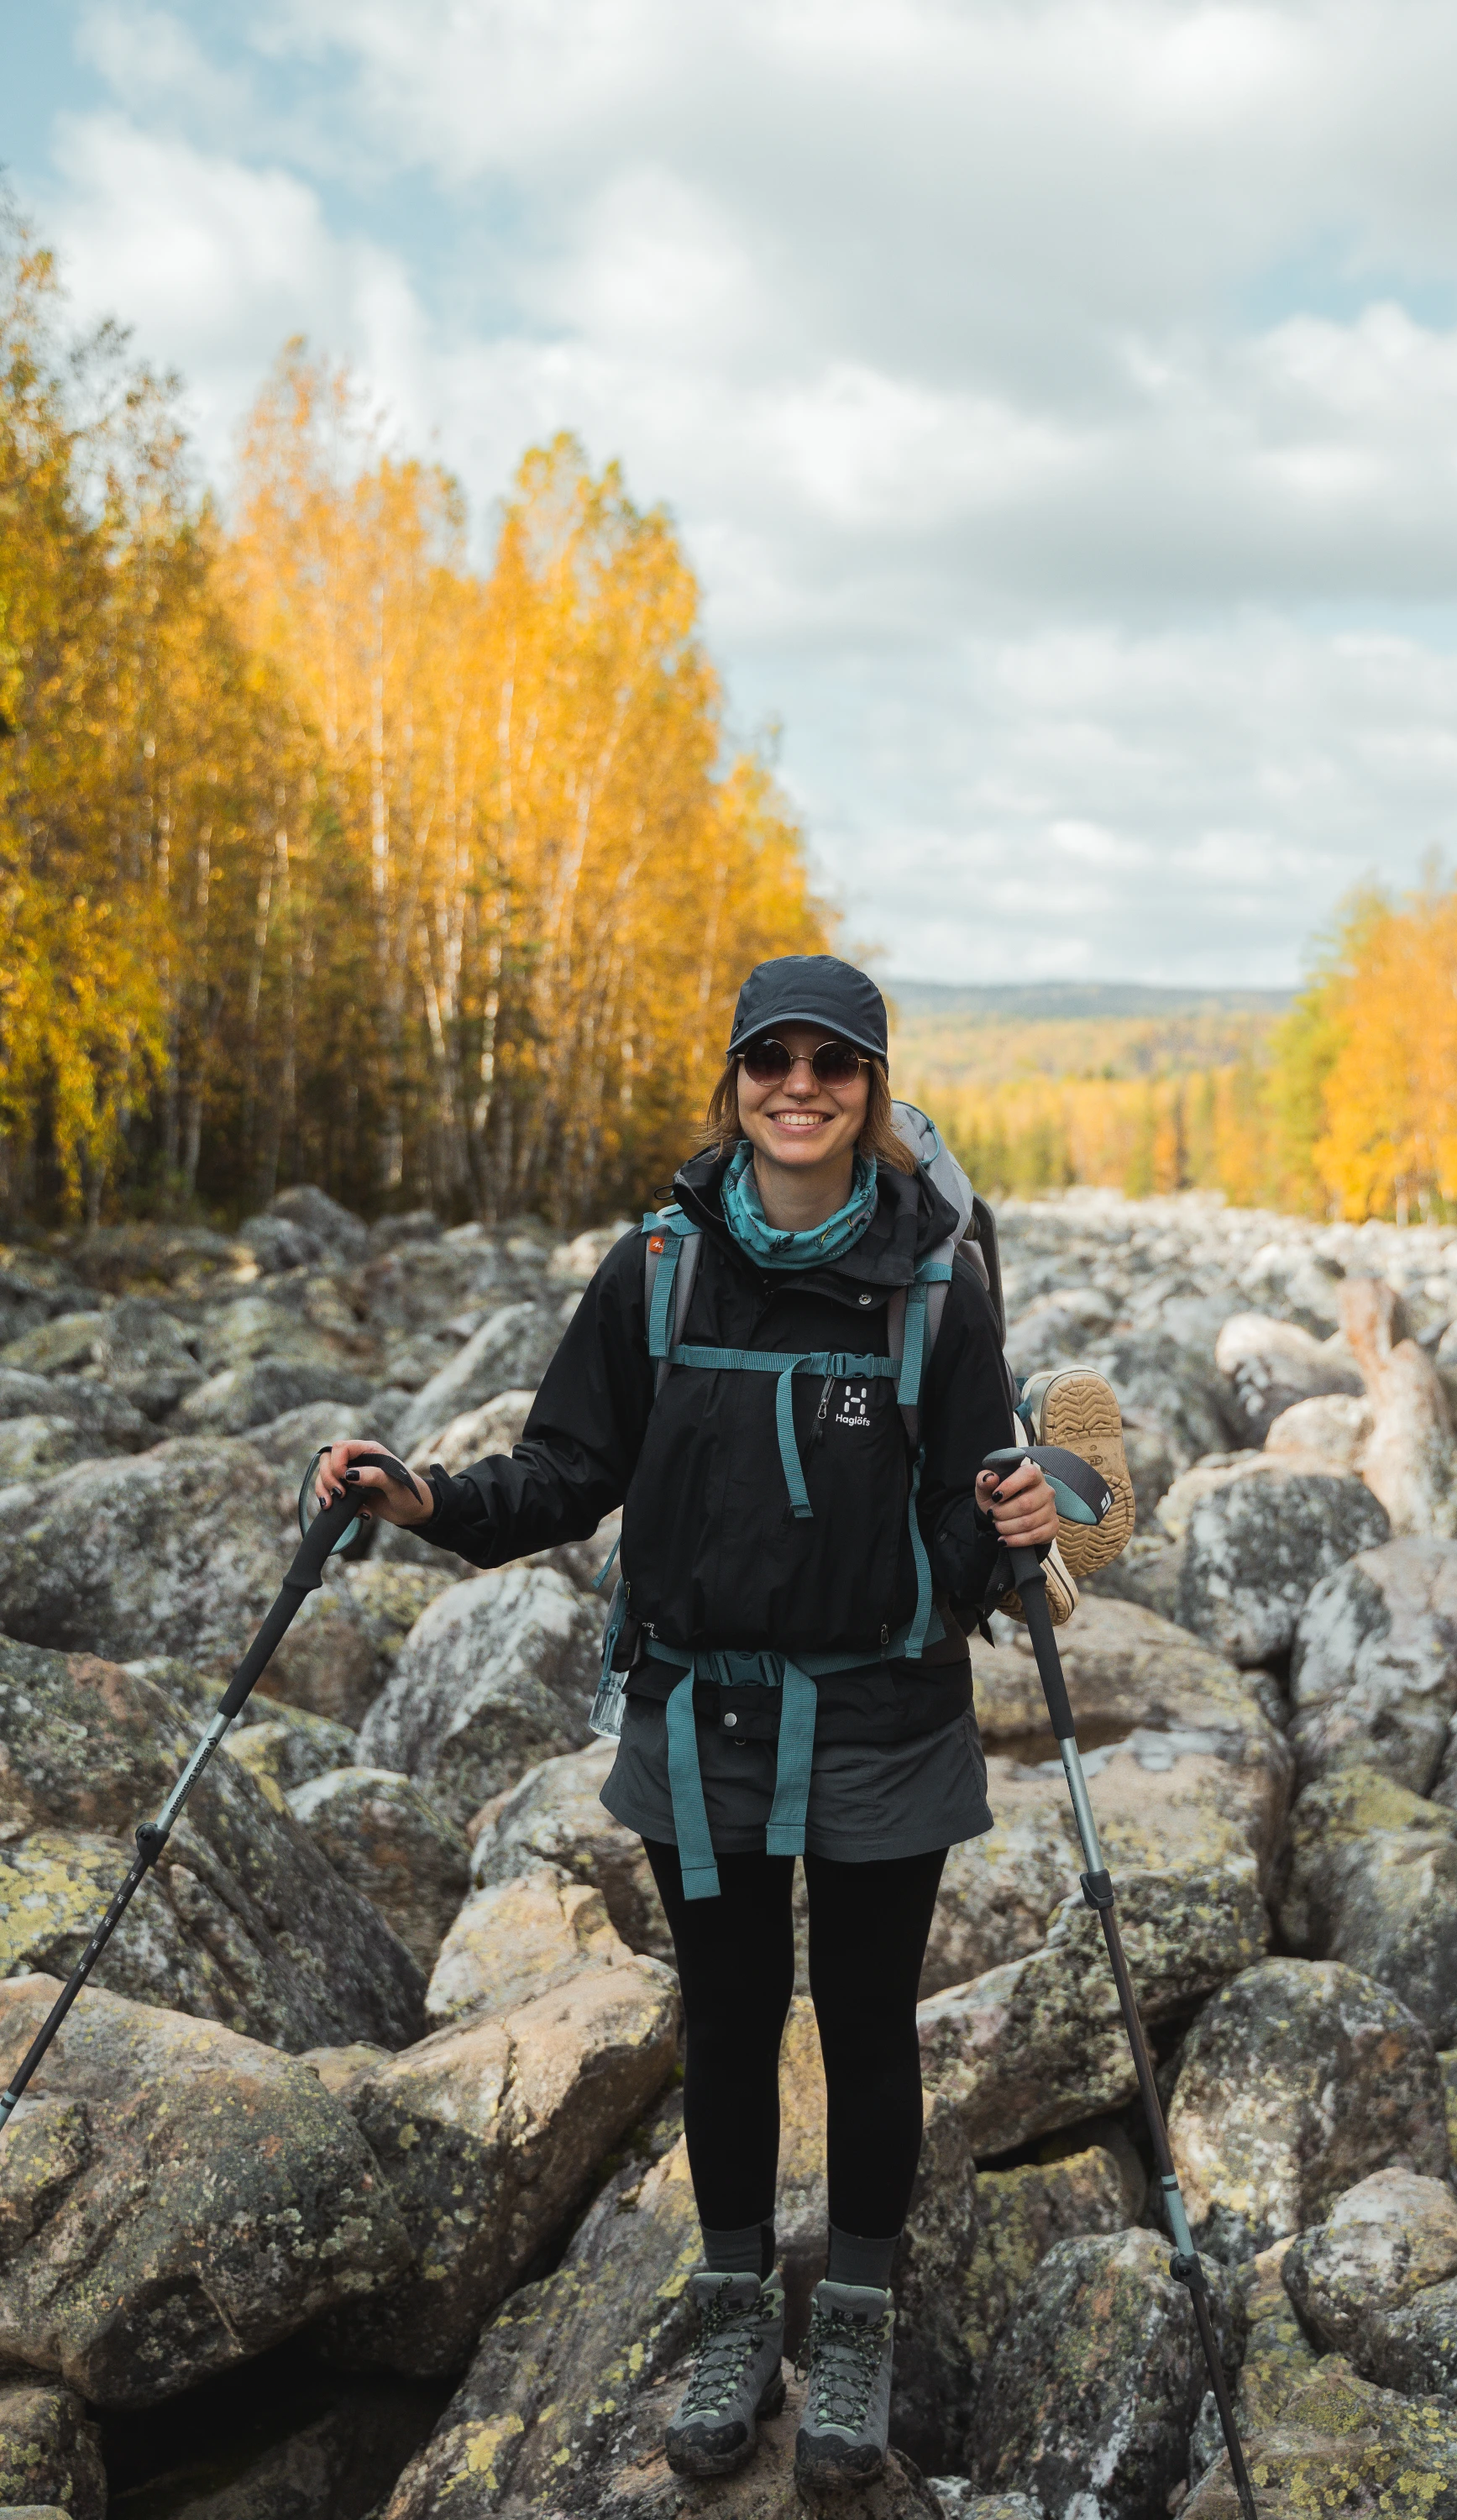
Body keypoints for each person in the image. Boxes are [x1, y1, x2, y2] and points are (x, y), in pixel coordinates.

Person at [315, 953, 1056, 2490]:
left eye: (830, 1064)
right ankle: (733, 2307)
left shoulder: (938, 1289)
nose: (798, 1086)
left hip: (884, 1723)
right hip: (701, 1722)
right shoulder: (657, 1270)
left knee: (862, 2029)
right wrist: (424, 1498)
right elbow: (566, 1473)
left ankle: (851, 2313)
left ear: (872, 1088)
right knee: (722, 2026)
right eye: (769, 1060)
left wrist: (1037, 1516)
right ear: (734, 1081)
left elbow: (977, 1522)